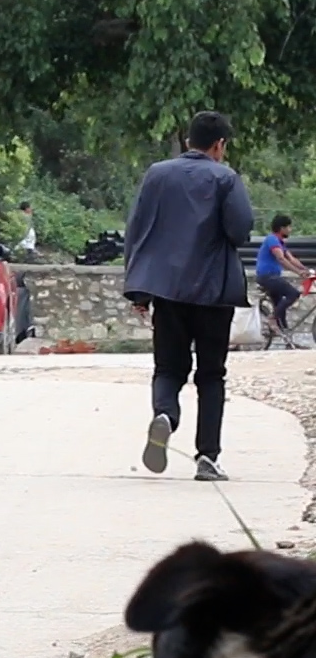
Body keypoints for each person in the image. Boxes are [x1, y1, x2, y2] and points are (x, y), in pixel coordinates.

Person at [124, 111, 255, 482]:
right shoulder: (226, 178)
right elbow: (240, 229)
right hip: (214, 293)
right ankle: (207, 458)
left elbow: (137, 230)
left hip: (166, 290)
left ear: (187, 141)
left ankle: (165, 414)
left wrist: (139, 290)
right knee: (211, 374)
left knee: (168, 368)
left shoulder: (157, 174)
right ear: (220, 145)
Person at [256, 213, 308, 341]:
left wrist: (306, 270)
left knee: (281, 308)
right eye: (289, 227)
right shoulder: (272, 240)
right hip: (267, 277)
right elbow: (281, 259)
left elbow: (292, 259)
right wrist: (298, 272)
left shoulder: (279, 242)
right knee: (293, 294)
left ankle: (287, 340)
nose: (290, 230)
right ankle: (272, 319)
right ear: (282, 228)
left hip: (272, 277)